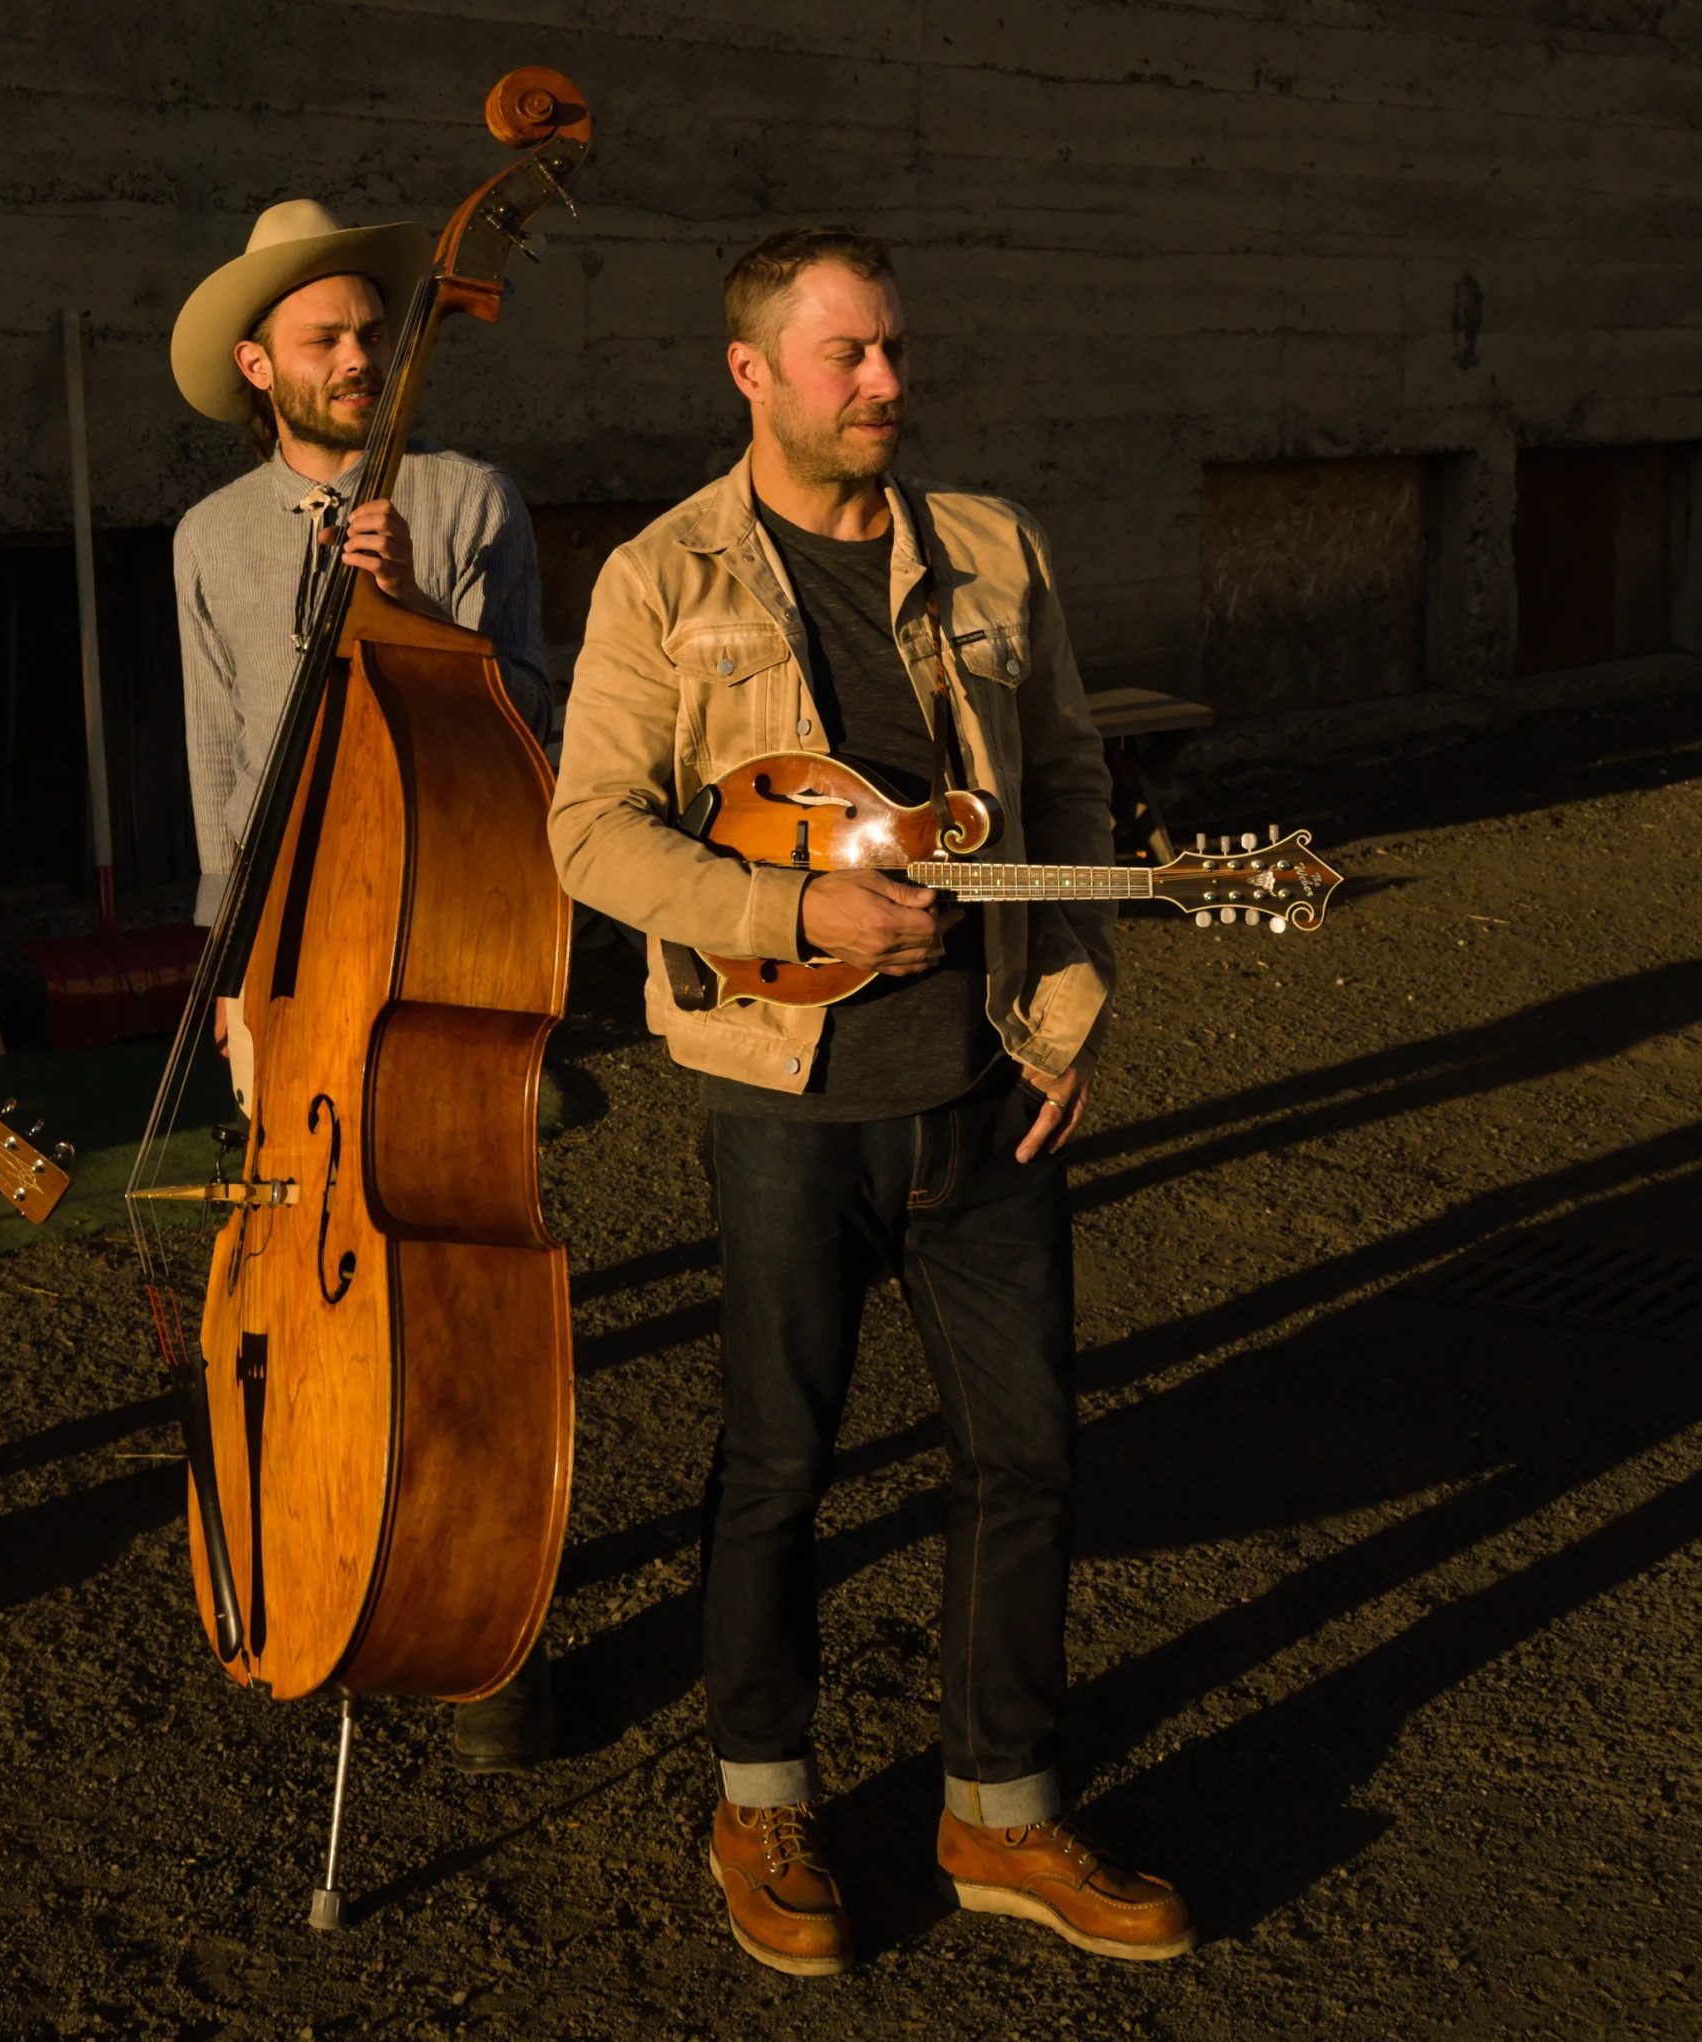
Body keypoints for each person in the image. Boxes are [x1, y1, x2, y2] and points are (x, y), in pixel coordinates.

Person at [547, 227, 1194, 1974]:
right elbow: (591, 828)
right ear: (752, 373)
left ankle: (1004, 1814)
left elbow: (1062, 780)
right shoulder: (663, 576)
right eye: (850, 358)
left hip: (989, 1084)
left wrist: (1071, 1006)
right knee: (779, 1462)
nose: (889, 385)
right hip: (783, 1092)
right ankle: (761, 1797)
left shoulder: (991, 549)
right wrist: (793, 910)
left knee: (1028, 1453)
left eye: (895, 350)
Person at [167, 198, 556, 1770]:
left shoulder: (468, 498)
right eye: (322, 338)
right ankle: (307, 1551)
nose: (355, 358)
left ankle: (478, 1604)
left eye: (367, 332)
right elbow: (219, 770)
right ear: (259, 363)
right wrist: (233, 986)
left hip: (437, 939)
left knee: (458, 1286)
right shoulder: (208, 539)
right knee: (294, 1275)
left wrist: (432, 621)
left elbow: (541, 713)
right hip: (291, 961)